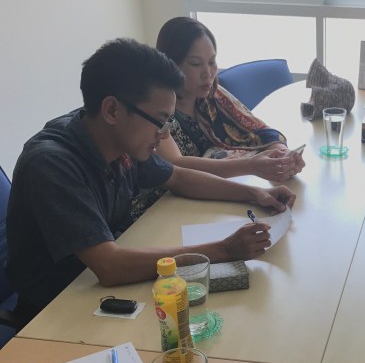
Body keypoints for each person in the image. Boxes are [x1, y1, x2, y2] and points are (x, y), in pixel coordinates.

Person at [5, 38, 296, 329]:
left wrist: (255, 193)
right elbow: (109, 266)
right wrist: (225, 250)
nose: (165, 134)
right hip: (56, 311)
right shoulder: (52, 164)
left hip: (104, 286)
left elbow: (177, 177)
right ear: (112, 110)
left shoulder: (117, 136)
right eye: (160, 121)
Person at [130, 17, 305, 220]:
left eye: (212, 62)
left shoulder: (211, 93)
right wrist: (251, 166)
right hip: (165, 210)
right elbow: (177, 167)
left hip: (209, 200)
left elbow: (257, 128)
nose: (208, 73)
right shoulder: (156, 108)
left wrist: (282, 157)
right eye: (195, 64)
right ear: (171, 64)